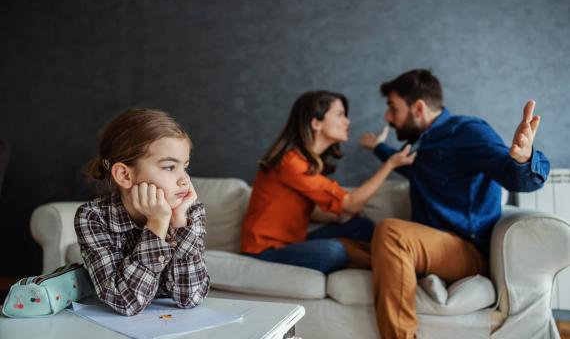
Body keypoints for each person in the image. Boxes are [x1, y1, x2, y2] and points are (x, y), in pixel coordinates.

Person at [359, 69, 550, 338]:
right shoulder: (423, 145)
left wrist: (523, 159)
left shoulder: (466, 131)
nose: (387, 117)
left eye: (392, 107)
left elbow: (515, 178)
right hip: (430, 246)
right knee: (346, 243)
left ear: (419, 107)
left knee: (390, 232)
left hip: (465, 249)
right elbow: (413, 169)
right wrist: (378, 149)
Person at [240, 90, 415, 274]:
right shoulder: (290, 163)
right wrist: (391, 164)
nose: (347, 121)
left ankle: (389, 258)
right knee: (333, 252)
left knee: (361, 226)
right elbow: (351, 204)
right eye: (340, 115)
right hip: (263, 252)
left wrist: (339, 216)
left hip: (294, 244)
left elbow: (302, 210)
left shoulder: (308, 163)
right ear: (316, 123)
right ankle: (392, 261)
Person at [75, 108, 209, 316]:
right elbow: (124, 303)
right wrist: (157, 224)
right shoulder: (93, 217)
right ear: (124, 175)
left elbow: (191, 297)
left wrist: (179, 222)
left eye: (185, 167)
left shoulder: (189, 213)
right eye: (169, 167)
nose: (184, 179)